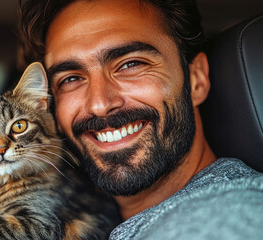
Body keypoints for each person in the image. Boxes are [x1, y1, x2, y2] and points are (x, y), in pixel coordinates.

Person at [18, 0, 263, 239]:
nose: (100, 104)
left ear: (196, 80)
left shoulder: (229, 212)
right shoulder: (60, 215)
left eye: (131, 64)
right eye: (70, 79)